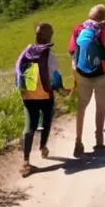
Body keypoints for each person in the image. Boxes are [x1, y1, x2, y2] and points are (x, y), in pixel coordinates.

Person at [15, 22, 68, 178]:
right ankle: (43, 147)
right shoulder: (49, 56)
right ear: (49, 36)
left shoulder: (26, 52)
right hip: (46, 94)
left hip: (28, 95)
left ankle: (25, 161)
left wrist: (22, 90)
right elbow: (55, 77)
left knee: (29, 125)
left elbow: (17, 72)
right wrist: (61, 90)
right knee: (46, 121)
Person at [68, 4, 105, 158]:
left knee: (81, 108)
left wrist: (76, 70)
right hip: (102, 75)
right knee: (101, 107)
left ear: (90, 15)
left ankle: (78, 140)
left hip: (82, 75)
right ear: (104, 16)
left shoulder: (79, 28)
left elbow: (71, 50)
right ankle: (99, 140)